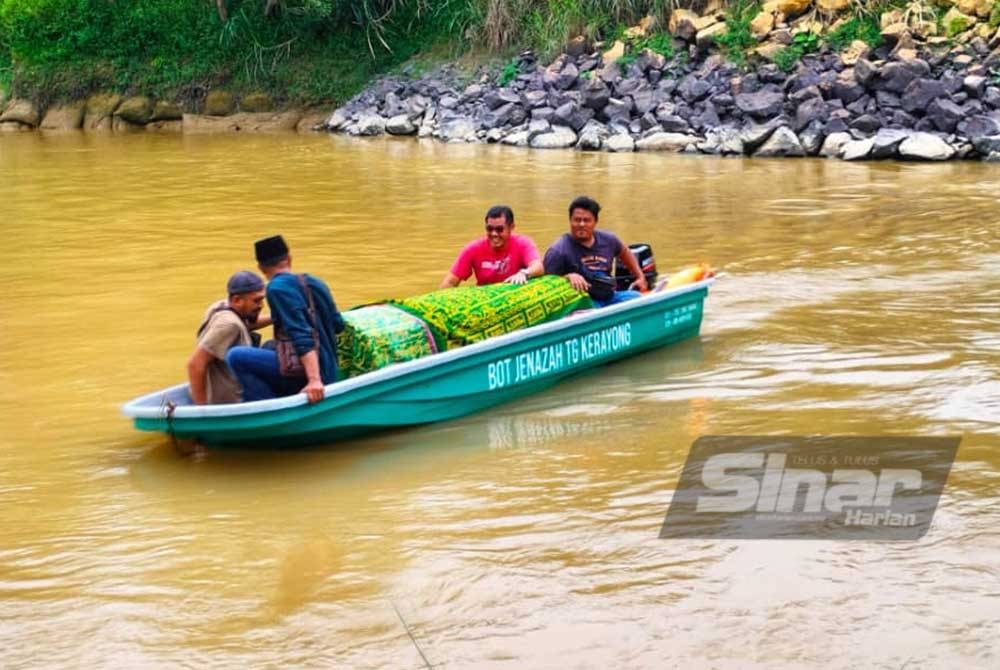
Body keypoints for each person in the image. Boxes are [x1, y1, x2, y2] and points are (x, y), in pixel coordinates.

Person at [226, 235, 345, 404]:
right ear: (289, 258)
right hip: (330, 366)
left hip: (315, 374)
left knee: (236, 356)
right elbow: (338, 325)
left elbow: (301, 334)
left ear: (260, 267)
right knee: (268, 346)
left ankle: (264, 409)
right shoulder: (315, 282)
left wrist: (314, 380)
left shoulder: (276, 288)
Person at [543, 195, 648, 307]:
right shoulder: (558, 250)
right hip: (582, 303)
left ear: (595, 222)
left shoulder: (609, 240)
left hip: (610, 296)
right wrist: (567, 277)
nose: (581, 224)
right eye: (577, 220)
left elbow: (624, 252)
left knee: (638, 299)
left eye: (587, 220)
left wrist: (640, 277)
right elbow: (545, 284)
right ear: (570, 221)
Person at [187, 271, 269, 405]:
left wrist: (276, 318)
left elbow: (246, 323)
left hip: (222, 392)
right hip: (230, 401)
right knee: (271, 349)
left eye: (262, 299)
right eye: (256, 301)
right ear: (237, 300)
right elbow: (195, 365)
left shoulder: (221, 307)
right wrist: (201, 411)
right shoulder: (229, 325)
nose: (261, 305)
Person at [440, 205, 544, 288]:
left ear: (511, 227)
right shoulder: (473, 249)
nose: (494, 234)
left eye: (499, 229)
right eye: (489, 229)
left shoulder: (523, 244)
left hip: (515, 297)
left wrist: (524, 273)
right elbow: (450, 282)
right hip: (486, 301)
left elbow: (538, 267)